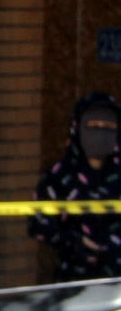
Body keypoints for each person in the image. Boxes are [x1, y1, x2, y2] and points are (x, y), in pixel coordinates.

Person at [30, 91, 121, 282]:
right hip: (74, 281)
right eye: (93, 126)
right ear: (77, 127)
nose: (100, 132)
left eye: (109, 127)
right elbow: (37, 223)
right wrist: (73, 242)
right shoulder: (61, 175)